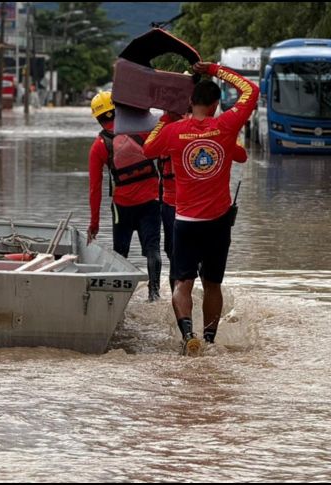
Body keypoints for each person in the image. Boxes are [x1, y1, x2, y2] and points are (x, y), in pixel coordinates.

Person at [143, 62, 259, 354]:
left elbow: (148, 148)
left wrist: (168, 115)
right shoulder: (226, 126)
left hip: (185, 221)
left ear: (191, 102)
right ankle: (208, 341)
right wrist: (213, 68)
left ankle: (187, 335)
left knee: (182, 281)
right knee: (212, 284)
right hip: (218, 221)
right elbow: (250, 89)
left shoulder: (174, 131)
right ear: (216, 104)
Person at [87, 91, 162, 302]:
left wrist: (94, 223)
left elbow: (95, 188)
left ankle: (117, 299)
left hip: (122, 207)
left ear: (98, 118)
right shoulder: (144, 131)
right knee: (152, 249)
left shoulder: (99, 146)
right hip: (151, 201)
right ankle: (154, 294)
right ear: (119, 110)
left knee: (120, 254)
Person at [159, 140, 248, 295]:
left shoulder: (169, 131)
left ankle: (180, 311)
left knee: (180, 262)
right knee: (176, 258)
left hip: (187, 209)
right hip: (180, 207)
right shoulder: (171, 131)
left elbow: (241, 155)